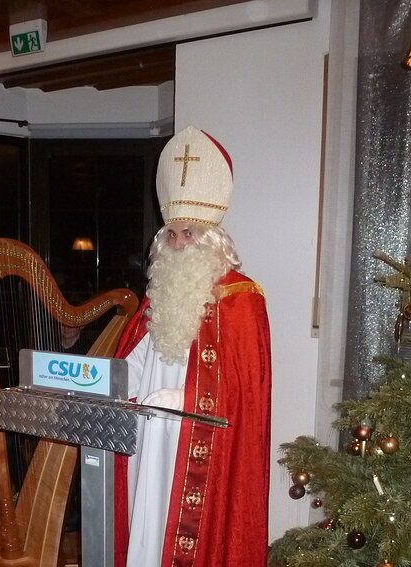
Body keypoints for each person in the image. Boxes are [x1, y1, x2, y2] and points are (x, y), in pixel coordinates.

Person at [113, 126, 272, 567]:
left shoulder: (242, 298)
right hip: (151, 431)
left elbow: (244, 393)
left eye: (190, 234)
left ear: (212, 238)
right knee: (148, 516)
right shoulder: (160, 292)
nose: (180, 244)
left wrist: (183, 400)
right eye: (173, 234)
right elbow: (141, 353)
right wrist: (114, 380)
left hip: (195, 437)